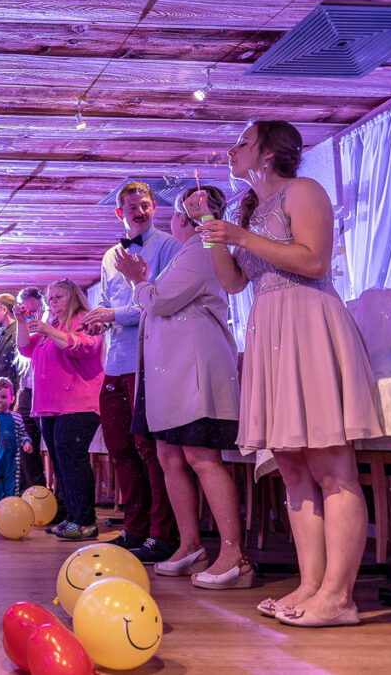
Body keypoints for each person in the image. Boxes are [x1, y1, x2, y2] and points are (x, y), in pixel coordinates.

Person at [198, 120, 384, 626]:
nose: (231, 150)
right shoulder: (249, 210)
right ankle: (310, 584)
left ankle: (339, 597)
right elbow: (233, 283)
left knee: (331, 465)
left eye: (242, 142)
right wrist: (214, 232)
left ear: (269, 151)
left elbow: (315, 260)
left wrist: (240, 235)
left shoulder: (303, 191)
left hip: (308, 322)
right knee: (293, 468)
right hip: (270, 330)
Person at [116, 185, 249, 588]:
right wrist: (146, 283)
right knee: (169, 455)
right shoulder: (185, 253)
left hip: (193, 368)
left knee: (202, 456)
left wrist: (138, 280)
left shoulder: (202, 249)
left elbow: (159, 302)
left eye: (174, 214)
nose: (171, 221)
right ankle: (190, 545)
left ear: (184, 219)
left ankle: (234, 555)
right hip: (169, 371)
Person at [82, 181, 181, 561]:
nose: (139, 212)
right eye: (131, 207)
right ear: (119, 212)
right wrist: (99, 322)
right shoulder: (110, 255)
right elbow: (108, 303)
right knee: (119, 448)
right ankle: (134, 529)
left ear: (154, 207)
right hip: (116, 361)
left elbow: (161, 302)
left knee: (150, 449)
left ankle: (163, 535)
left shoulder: (168, 246)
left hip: (150, 359)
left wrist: (112, 315)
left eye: (144, 205)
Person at [17, 279, 104, 541]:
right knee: (61, 463)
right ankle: (71, 516)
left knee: (73, 461)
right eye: (50, 298)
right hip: (51, 406)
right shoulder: (52, 324)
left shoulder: (84, 319)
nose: (52, 302)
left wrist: (47, 329)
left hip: (77, 403)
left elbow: (84, 347)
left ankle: (86, 521)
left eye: (58, 297)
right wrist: (21, 322)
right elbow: (25, 348)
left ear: (73, 297)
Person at [0, 377, 32, 532]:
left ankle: (10, 516)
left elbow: (23, 434)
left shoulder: (16, 417)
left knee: (12, 489)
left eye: (4, 397)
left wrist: (26, 443)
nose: (0, 400)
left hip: (12, 463)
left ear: (12, 399)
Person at [14, 287, 49, 497]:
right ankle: (33, 494)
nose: (30, 316)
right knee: (26, 446)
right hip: (26, 394)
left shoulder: (49, 328)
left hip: (47, 392)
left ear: (42, 308)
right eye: (26, 311)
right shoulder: (21, 329)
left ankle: (59, 502)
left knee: (53, 447)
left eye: (34, 311)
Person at [0, 293, 23, 399]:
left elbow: (19, 370)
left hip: (10, 398)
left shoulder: (17, 332)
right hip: (0, 398)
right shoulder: (3, 333)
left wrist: (18, 400)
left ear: (4, 310)